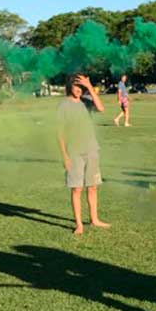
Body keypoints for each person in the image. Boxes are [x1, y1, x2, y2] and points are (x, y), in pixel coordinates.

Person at [57, 74, 110, 235]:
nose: (79, 90)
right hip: (74, 152)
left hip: (91, 149)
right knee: (77, 189)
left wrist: (89, 87)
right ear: (69, 87)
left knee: (92, 186)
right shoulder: (63, 106)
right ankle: (79, 224)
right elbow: (59, 133)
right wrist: (64, 156)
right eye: (76, 87)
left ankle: (94, 219)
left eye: (81, 87)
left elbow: (101, 108)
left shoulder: (86, 102)